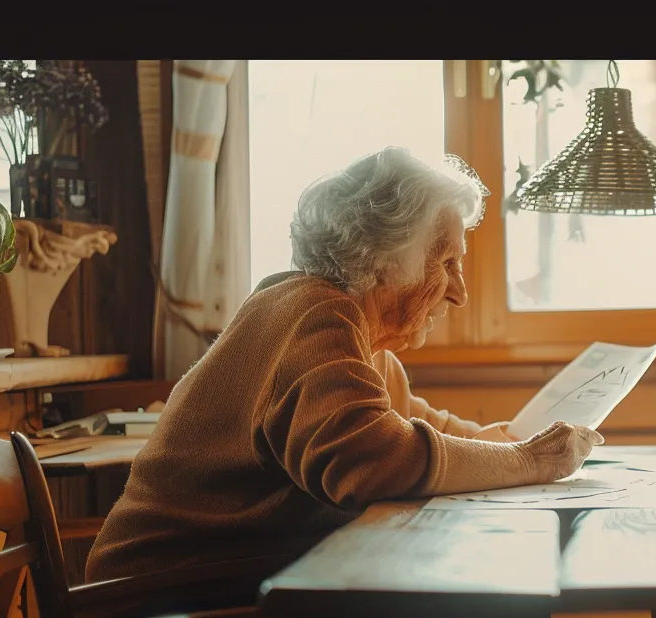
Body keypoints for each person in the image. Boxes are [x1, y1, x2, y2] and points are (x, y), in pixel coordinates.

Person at [88, 148, 601, 588]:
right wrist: (529, 462)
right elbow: (371, 461)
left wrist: (510, 445)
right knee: (481, 601)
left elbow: (415, 426)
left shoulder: (354, 339)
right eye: (445, 264)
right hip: (157, 599)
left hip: (223, 582)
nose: (460, 292)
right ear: (384, 259)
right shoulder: (315, 314)